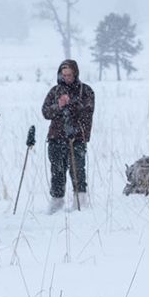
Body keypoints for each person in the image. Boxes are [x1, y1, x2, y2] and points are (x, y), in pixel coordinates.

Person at [41, 59, 96, 213]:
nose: (66, 78)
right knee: (57, 171)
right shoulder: (55, 91)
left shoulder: (85, 91)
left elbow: (87, 112)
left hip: (76, 138)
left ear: (75, 73)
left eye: (69, 75)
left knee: (77, 169)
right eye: (63, 75)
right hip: (56, 137)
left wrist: (70, 104)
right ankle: (57, 202)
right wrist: (58, 105)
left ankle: (80, 202)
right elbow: (45, 112)